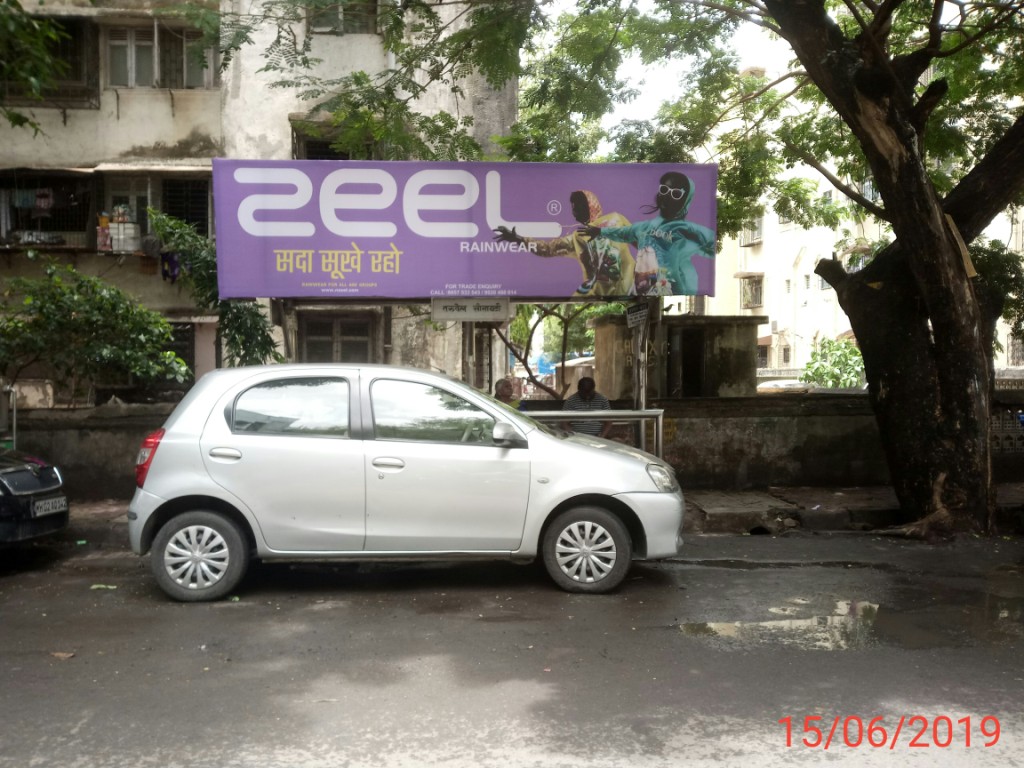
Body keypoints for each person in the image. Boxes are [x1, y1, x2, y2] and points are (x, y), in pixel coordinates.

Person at [578, 171, 715, 296]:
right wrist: (600, 231)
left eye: (676, 193)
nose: (668, 196)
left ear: (685, 201)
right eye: (664, 189)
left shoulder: (685, 229)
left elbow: (710, 246)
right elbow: (624, 232)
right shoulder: (644, 227)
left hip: (673, 291)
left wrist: (692, 233)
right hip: (643, 290)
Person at [493, 190, 635, 297]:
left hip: (623, 290)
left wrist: (518, 239)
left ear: (588, 206)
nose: (573, 212)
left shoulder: (581, 236)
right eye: (573, 207)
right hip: (624, 290)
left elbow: (546, 249)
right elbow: (642, 242)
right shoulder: (615, 219)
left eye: (576, 207)